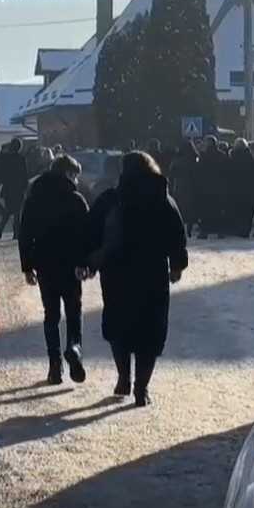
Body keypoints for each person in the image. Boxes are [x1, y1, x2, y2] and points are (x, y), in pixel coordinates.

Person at [87, 151, 188, 407]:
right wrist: (176, 265)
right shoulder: (163, 200)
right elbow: (177, 234)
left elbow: (92, 231)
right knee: (149, 332)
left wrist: (88, 262)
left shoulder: (111, 199)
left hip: (117, 273)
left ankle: (123, 377)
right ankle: (142, 388)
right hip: (151, 273)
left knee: (120, 327)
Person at [20, 154, 90, 385]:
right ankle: (74, 348)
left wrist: (27, 267)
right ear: (68, 174)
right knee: (73, 310)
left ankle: (54, 366)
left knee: (51, 315)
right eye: (75, 175)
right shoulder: (76, 200)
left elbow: (24, 234)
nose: (77, 180)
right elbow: (85, 235)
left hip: (45, 265)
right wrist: (84, 263)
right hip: (71, 266)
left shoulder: (34, 198)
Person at [0, 139, 30, 239]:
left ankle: (0, 228)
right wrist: (25, 186)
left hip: (8, 187)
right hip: (18, 188)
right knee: (17, 212)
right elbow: (24, 174)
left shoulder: (4, 158)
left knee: (8, 209)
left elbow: (0, 171)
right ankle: (16, 233)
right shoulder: (21, 158)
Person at [169, 141, 200, 237]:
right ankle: (189, 229)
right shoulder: (195, 159)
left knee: (179, 209)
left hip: (179, 186)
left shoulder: (177, 160)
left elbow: (171, 174)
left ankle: (178, 229)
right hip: (192, 186)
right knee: (190, 209)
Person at [229, 138, 254, 237]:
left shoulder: (233, 157)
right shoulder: (249, 156)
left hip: (236, 188)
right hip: (248, 189)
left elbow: (229, 172)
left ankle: (239, 229)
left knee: (238, 210)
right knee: (247, 210)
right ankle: (246, 230)